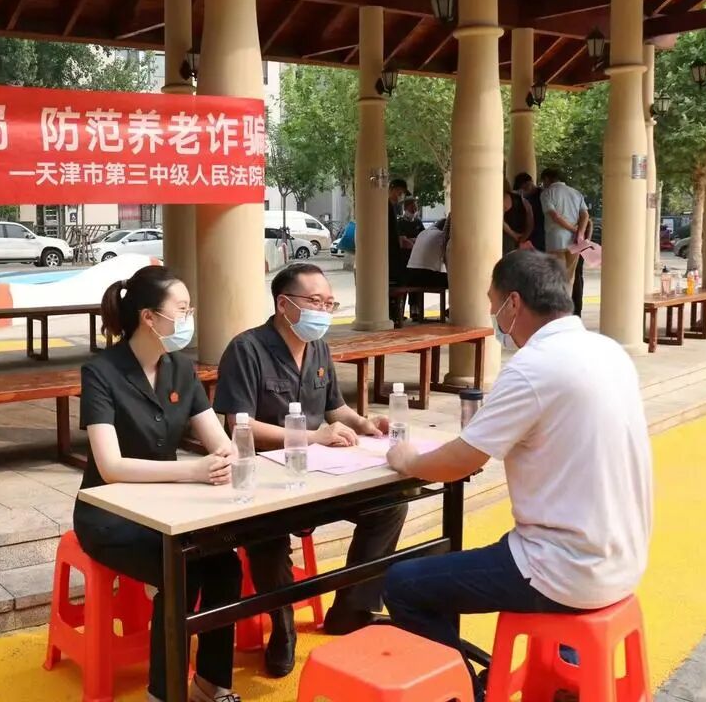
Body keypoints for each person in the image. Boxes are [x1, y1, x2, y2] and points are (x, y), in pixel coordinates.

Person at [382, 251, 653, 701]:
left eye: (492, 303)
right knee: (486, 556)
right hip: (623, 561)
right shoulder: (608, 351)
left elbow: (462, 460)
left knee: (404, 584)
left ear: (513, 303)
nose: (493, 315)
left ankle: (466, 693)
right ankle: (567, 677)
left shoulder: (533, 368)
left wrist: (408, 460)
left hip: (565, 569)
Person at [214, 263, 408, 678]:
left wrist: (363, 423)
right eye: (315, 301)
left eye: (329, 303)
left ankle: (352, 608)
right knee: (265, 534)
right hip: (268, 479)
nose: (324, 310)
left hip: (320, 476)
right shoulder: (246, 349)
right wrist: (312, 436)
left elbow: (334, 406)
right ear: (284, 305)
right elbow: (239, 425)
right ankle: (282, 626)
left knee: (390, 505)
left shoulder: (318, 346)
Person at [73, 265, 243, 702]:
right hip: (111, 517)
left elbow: (218, 441)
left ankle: (211, 685)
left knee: (225, 564)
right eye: (182, 310)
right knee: (183, 569)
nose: (188, 318)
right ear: (149, 317)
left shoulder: (181, 369)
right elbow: (110, 466)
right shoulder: (101, 372)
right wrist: (193, 471)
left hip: (169, 512)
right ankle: (164, 694)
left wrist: (227, 454)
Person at [539, 169, 589, 287]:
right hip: (575, 241)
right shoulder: (576, 193)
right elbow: (585, 215)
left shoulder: (547, 193)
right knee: (569, 278)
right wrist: (580, 232)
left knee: (556, 277)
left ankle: (557, 299)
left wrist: (573, 229)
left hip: (556, 240)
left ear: (547, 179)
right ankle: (567, 298)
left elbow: (555, 216)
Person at [389, 178, 411, 322]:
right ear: (392, 189)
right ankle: (394, 314)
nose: (400, 196)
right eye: (399, 192)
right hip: (390, 254)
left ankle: (396, 313)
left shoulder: (392, 207)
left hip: (395, 252)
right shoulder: (386, 206)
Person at [404, 217, 448, 290]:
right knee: (456, 279)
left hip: (409, 275)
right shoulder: (442, 235)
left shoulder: (422, 233)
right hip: (427, 276)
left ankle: (415, 298)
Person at [513, 172, 546, 253]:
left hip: (542, 232)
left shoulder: (544, 194)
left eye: (525, 187)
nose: (524, 190)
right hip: (532, 234)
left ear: (530, 182)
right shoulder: (525, 198)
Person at [502, 180, 534, 256]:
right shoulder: (523, 200)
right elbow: (531, 221)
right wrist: (524, 237)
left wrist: (513, 234)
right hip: (521, 237)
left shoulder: (504, 198)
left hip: (507, 238)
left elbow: (499, 220)